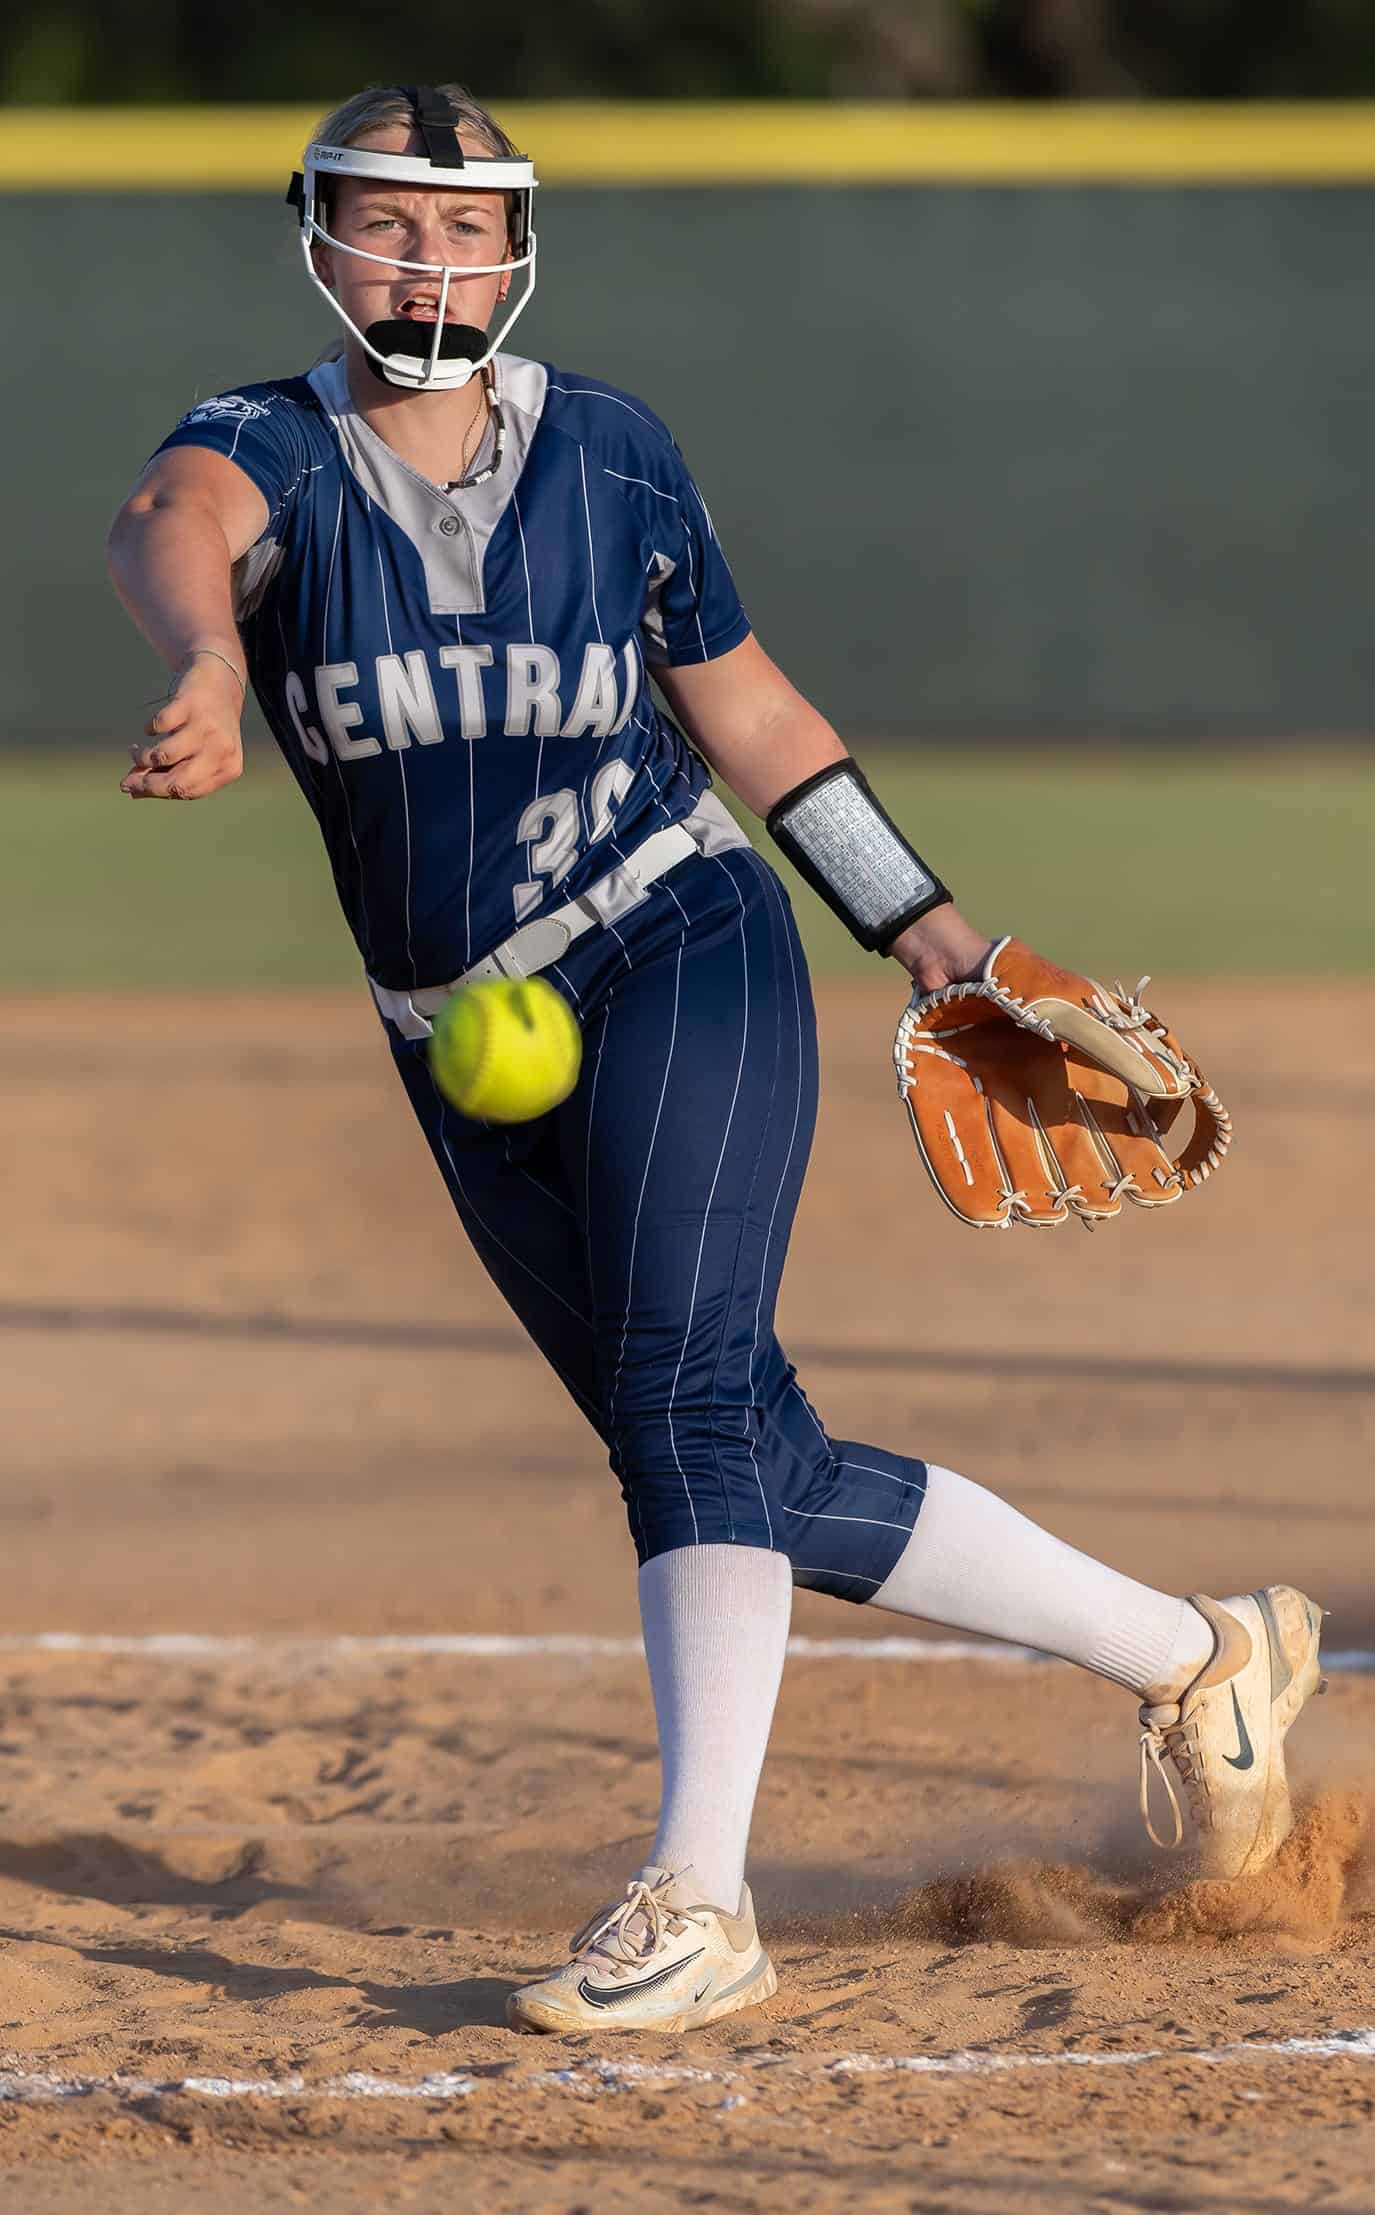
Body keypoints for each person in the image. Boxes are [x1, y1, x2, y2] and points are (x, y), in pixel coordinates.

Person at [107, 82, 1323, 2036]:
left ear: (519, 251)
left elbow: (746, 712)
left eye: (468, 225)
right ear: (317, 237)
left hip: (678, 935)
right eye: (390, 222)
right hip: (459, 1042)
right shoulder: (266, 452)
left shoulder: (609, 451)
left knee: (680, 1399)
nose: (433, 260)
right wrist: (210, 656)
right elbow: (177, 525)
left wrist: (935, 942)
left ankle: (697, 1894)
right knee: (734, 1450)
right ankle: (1198, 1657)